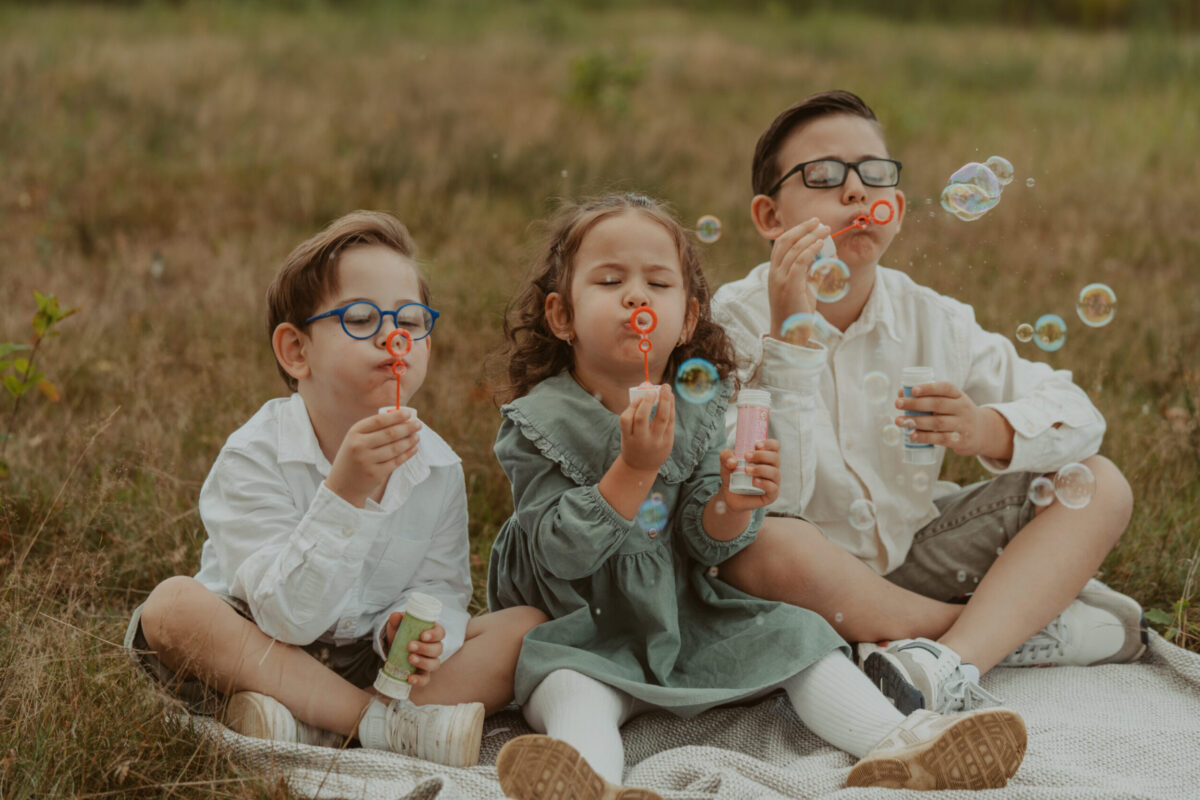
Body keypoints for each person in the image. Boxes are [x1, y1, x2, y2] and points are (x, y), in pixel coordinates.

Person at [486, 193, 1027, 797]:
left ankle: (902, 744)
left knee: (800, 637)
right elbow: (561, 552)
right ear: (562, 316)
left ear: (687, 319)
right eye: (610, 281)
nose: (636, 298)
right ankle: (591, 780)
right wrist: (634, 469)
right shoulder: (540, 421)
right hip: (584, 626)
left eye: (658, 284)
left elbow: (702, 537)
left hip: (683, 612)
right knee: (566, 686)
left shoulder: (697, 406)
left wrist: (733, 503)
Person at [711, 90, 1144, 717]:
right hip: (796, 579)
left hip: (914, 553)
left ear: (897, 207)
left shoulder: (934, 319)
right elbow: (769, 498)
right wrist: (790, 345)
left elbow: (1078, 414)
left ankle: (941, 663)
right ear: (770, 216)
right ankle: (1009, 627)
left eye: (874, 174)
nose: (855, 191)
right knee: (765, 542)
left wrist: (986, 429)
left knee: (1100, 483)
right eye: (824, 176)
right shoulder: (731, 323)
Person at [124, 211, 545, 767]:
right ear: (297, 352)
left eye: (411, 320)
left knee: (525, 629)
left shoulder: (437, 467)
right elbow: (286, 617)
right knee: (172, 607)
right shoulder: (255, 453)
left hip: (366, 661)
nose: (395, 336)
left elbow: (440, 587)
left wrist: (414, 631)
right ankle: (375, 725)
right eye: (362, 318)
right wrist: (345, 494)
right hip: (259, 645)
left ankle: (308, 727)